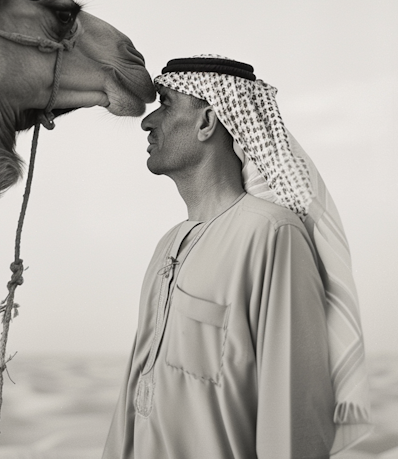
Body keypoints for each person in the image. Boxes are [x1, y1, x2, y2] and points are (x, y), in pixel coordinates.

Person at [103, 56, 372, 459]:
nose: (147, 121)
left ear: (207, 121)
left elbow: (292, 414)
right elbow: (134, 402)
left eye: (167, 104)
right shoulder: (167, 245)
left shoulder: (271, 235)